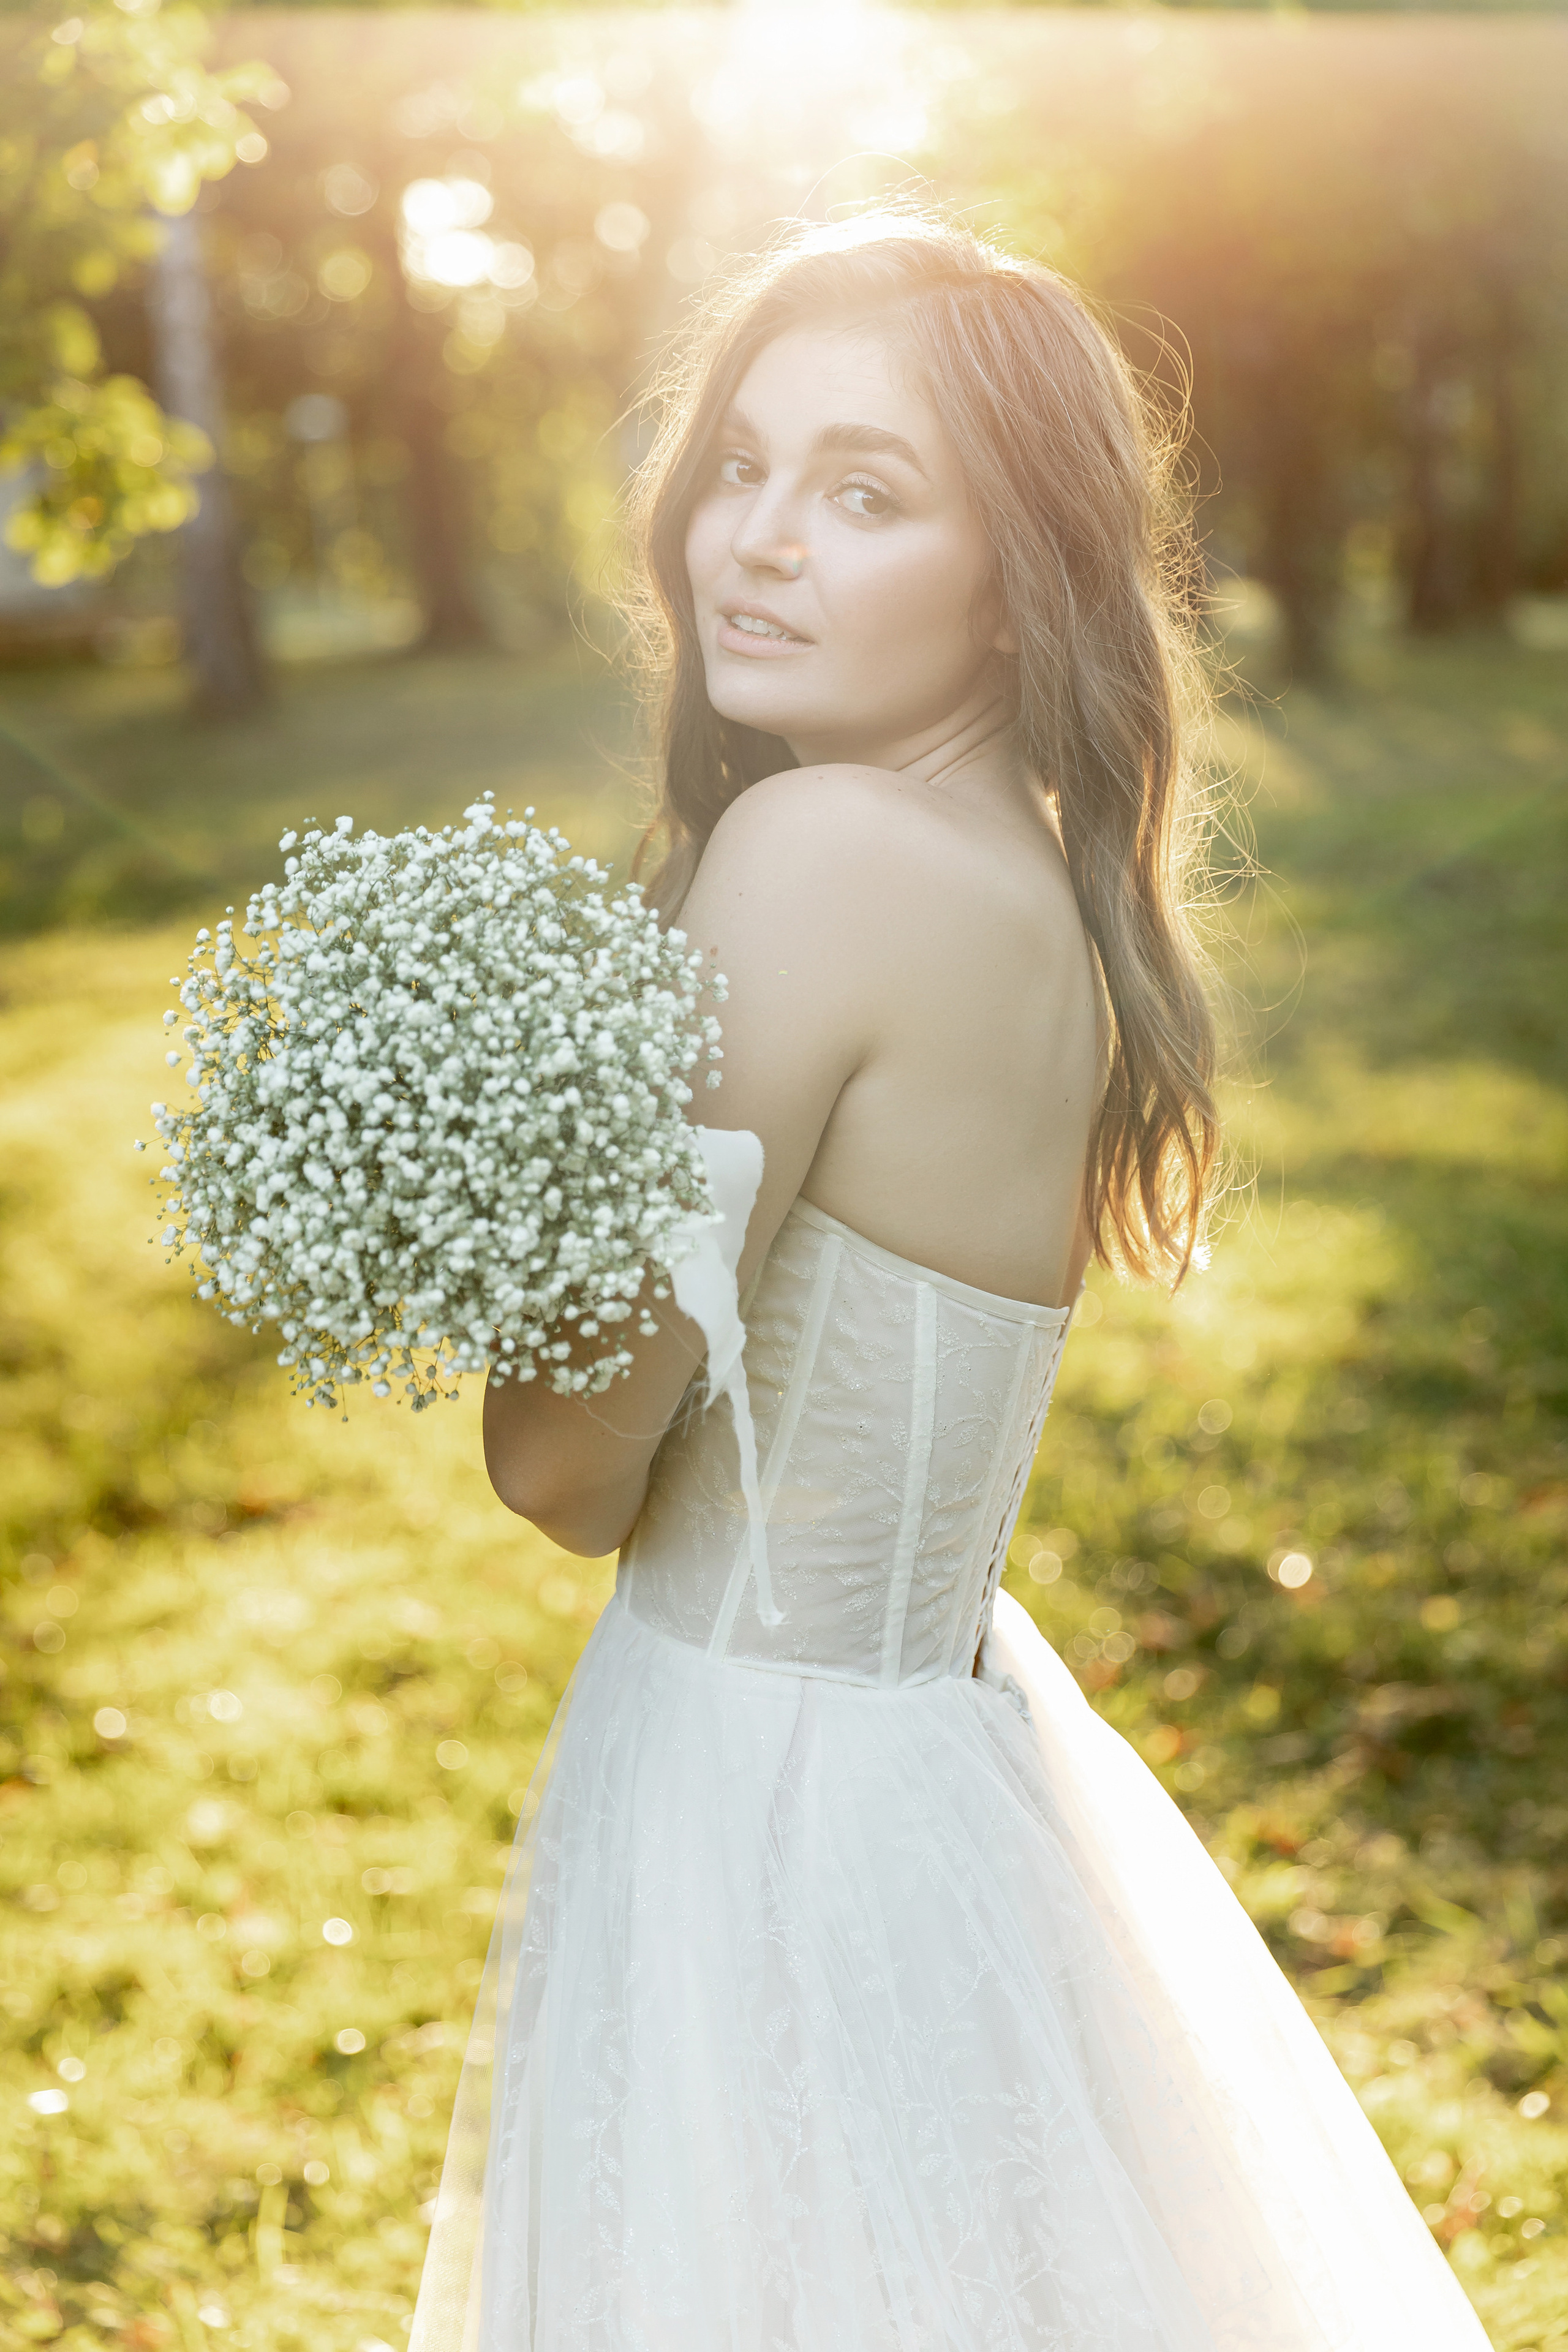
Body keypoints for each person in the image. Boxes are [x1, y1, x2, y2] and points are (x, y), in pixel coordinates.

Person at [411, 212, 1490, 2351]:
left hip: (761, 1791)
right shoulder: (1040, 892)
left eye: (868, 492)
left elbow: (564, 1470)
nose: (757, 543)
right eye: (742, 463)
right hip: (942, 1753)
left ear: (1023, 582)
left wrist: (474, 1205)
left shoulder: (815, 857)